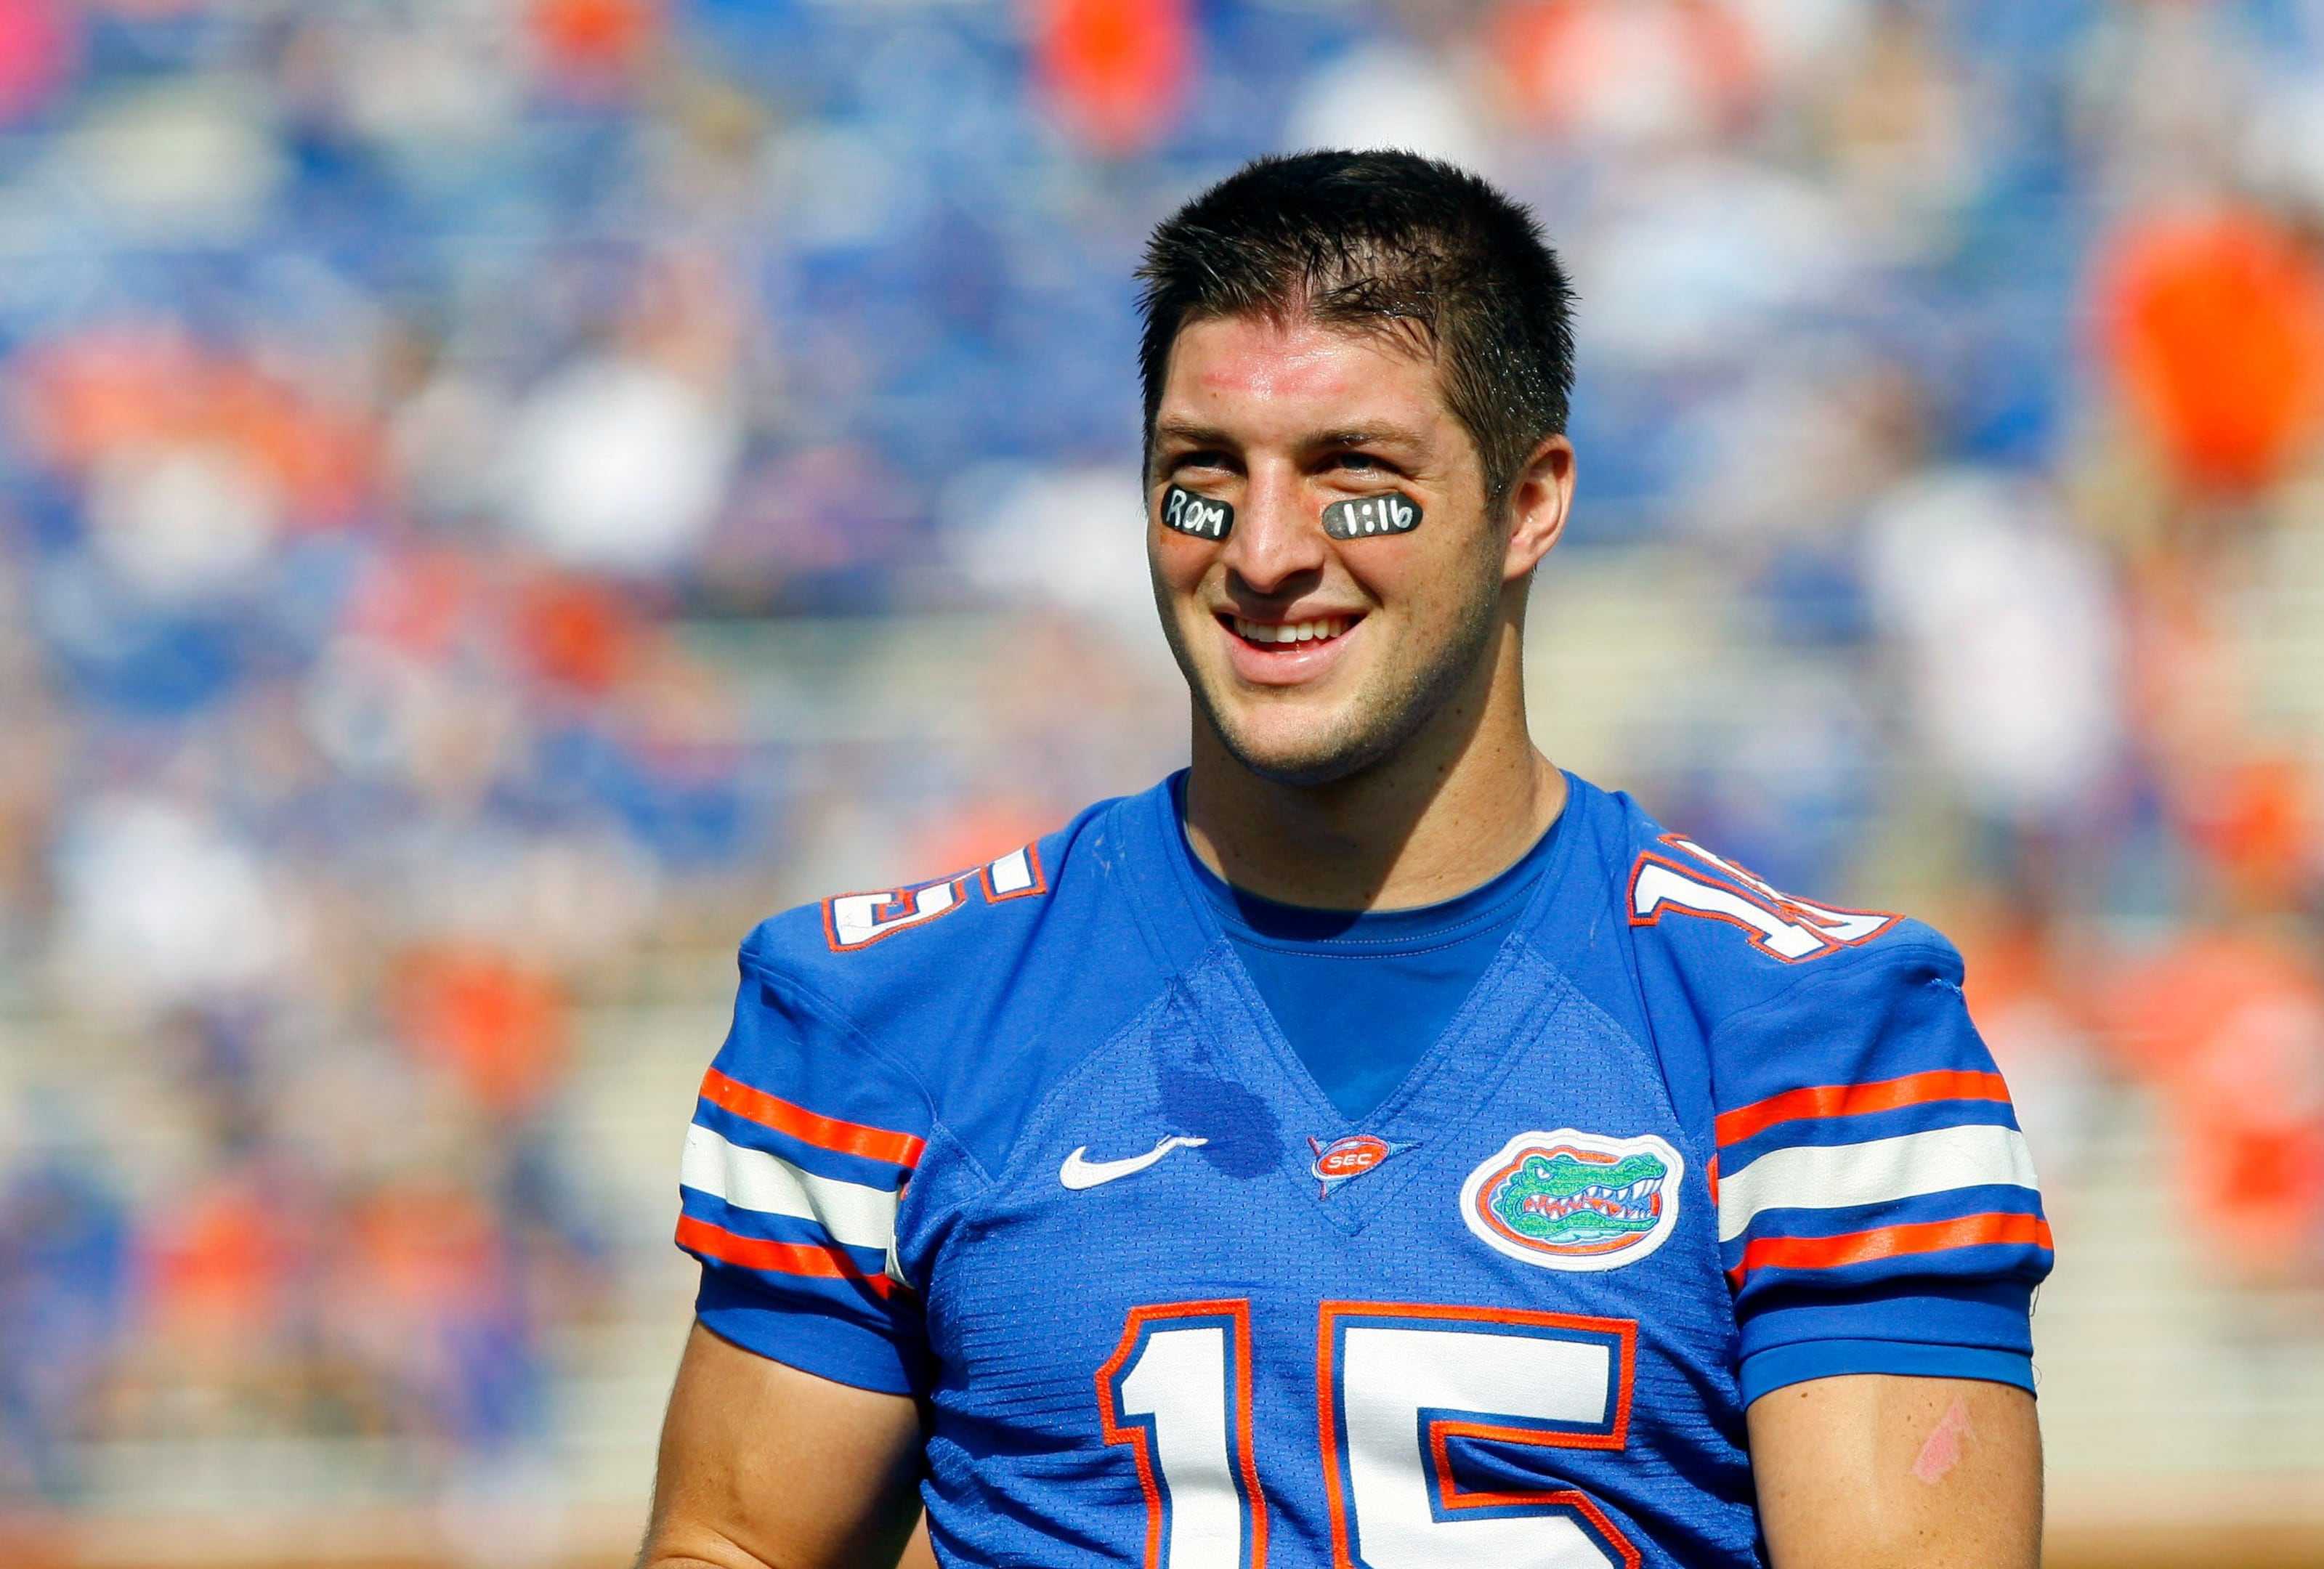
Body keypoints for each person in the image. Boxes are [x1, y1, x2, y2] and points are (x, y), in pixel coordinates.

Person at [641, 151, 2052, 1569]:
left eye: (1353, 474)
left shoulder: (1817, 1037)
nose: (1263, 550)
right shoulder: (894, 1015)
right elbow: (738, 1545)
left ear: (1531, 502)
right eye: (1203, 475)